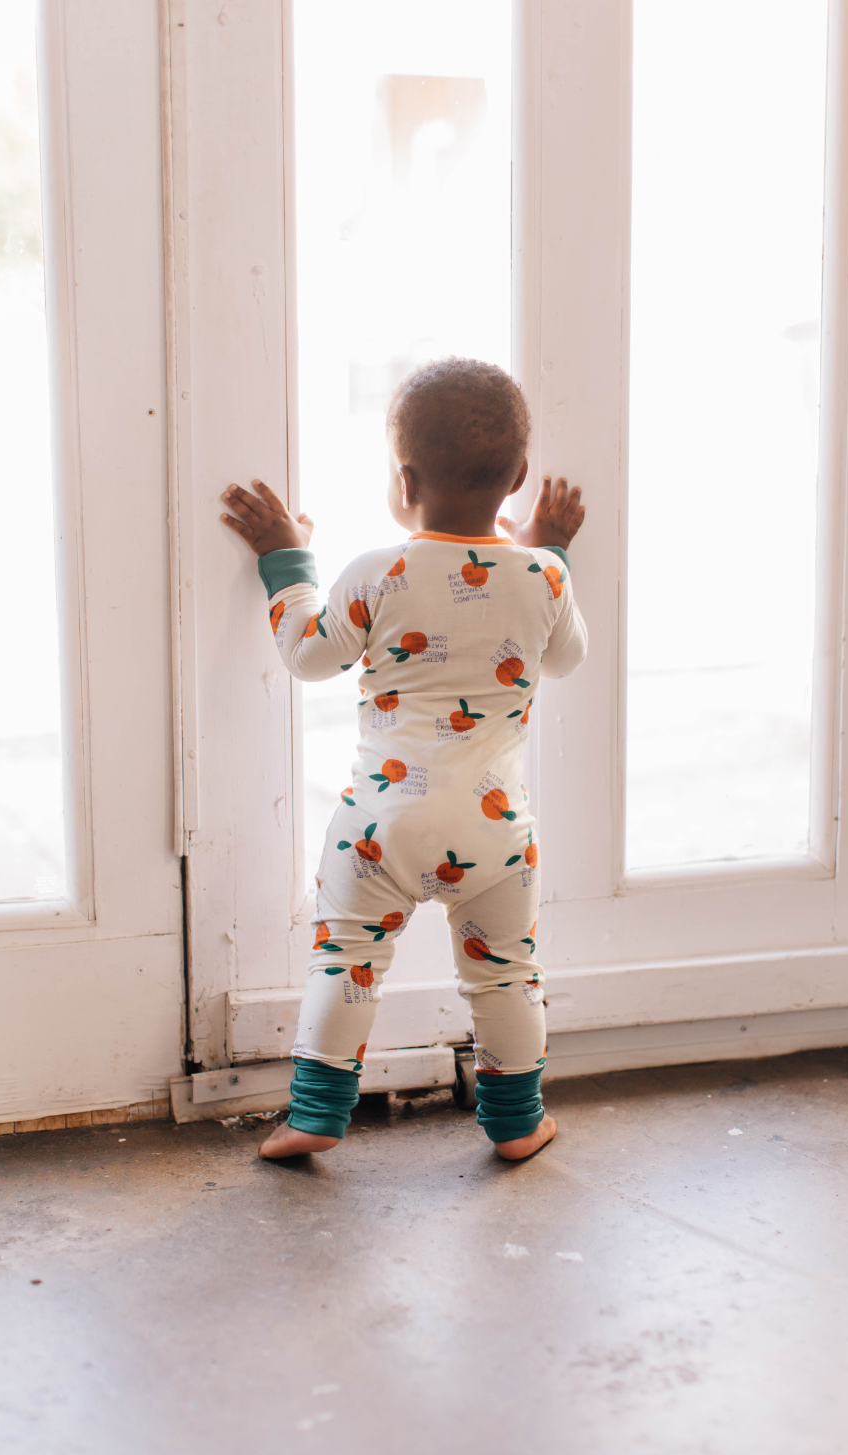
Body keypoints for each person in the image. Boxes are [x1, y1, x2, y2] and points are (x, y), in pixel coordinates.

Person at [220, 357, 587, 1162]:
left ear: (403, 479)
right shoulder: (545, 577)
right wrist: (549, 550)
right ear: (520, 475)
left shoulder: (374, 573)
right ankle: (518, 1123)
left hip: (380, 829)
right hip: (495, 839)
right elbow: (563, 658)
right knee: (504, 979)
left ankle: (315, 1114)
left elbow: (310, 655)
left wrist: (286, 558)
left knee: (345, 965)